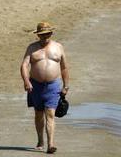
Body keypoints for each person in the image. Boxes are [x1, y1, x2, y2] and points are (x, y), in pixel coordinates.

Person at [21, 22, 69, 154]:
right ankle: (40, 140)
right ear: (38, 35)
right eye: (42, 35)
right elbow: (24, 65)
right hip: (35, 85)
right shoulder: (32, 48)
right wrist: (26, 81)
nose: (45, 37)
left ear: (51, 33)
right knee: (38, 113)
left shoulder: (58, 47)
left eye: (47, 34)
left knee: (50, 114)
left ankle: (51, 144)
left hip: (53, 85)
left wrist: (66, 85)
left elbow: (64, 67)